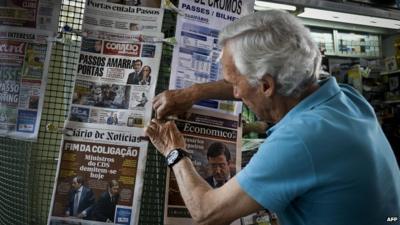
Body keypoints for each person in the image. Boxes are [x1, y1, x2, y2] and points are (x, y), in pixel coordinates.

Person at [145, 10, 400, 225]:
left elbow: (206, 212)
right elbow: (271, 83)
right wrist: (194, 93)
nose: (234, 92)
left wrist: (173, 150)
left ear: (266, 86)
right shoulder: (346, 97)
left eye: (235, 83)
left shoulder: (300, 139)